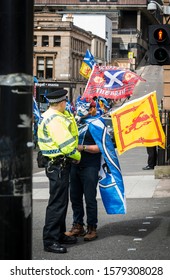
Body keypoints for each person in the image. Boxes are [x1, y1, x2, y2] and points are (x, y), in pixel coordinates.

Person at [37, 89, 81, 254]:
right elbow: (67, 145)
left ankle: (59, 234)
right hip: (58, 164)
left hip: (56, 165)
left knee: (60, 201)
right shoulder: (55, 119)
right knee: (57, 203)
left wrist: (68, 115)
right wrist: (77, 156)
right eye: (66, 102)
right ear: (62, 102)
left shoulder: (52, 115)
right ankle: (50, 240)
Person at [66, 98, 102, 241]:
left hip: (90, 166)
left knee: (89, 198)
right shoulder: (76, 122)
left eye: (86, 107)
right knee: (75, 197)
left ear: (92, 109)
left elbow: (101, 147)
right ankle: (78, 226)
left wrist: (83, 148)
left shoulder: (97, 124)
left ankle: (92, 227)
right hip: (75, 165)